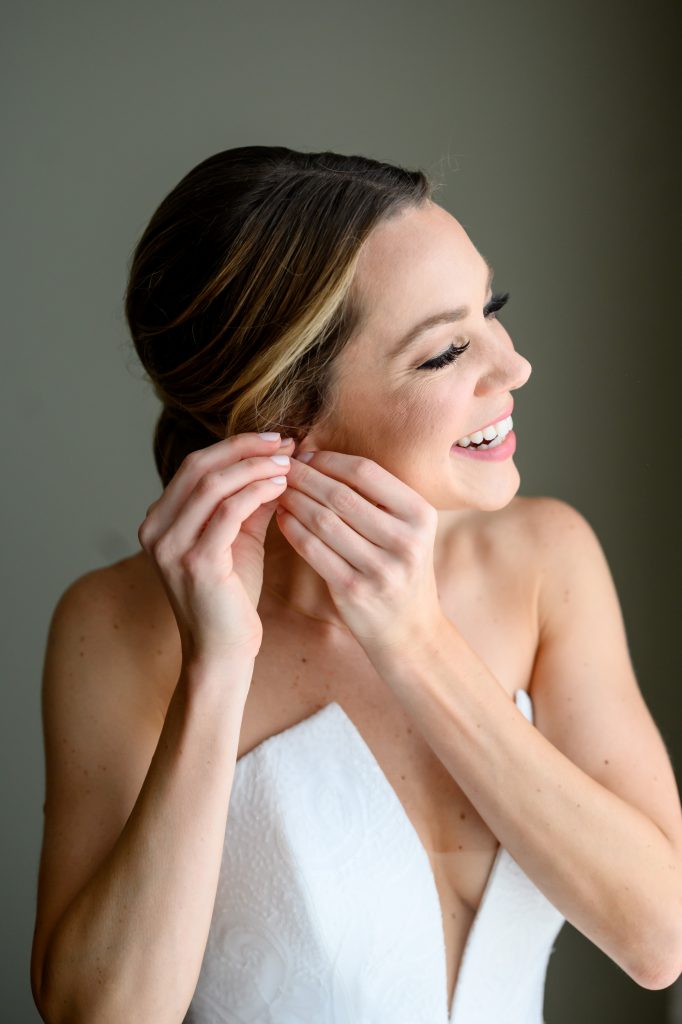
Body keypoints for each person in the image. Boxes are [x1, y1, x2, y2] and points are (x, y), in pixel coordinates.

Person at [31, 146, 682, 1024]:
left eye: (492, 310)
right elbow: (98, 1015)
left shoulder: (546, 561)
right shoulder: (112, 627)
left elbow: (659, 939)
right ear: (280, 421)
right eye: (448, 350)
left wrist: (417, 642)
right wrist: (215, 669)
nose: (514, 366)